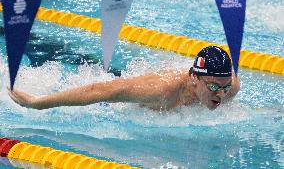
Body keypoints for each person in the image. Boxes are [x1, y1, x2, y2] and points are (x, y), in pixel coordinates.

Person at [8, 46, 240, 111]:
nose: (221, 94)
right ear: (193, 79)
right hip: (110, 101)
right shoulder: (162, 91)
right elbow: (101, 90)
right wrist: (37, 103)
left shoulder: (230, 87)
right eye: (213, 87)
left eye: (224, 87)